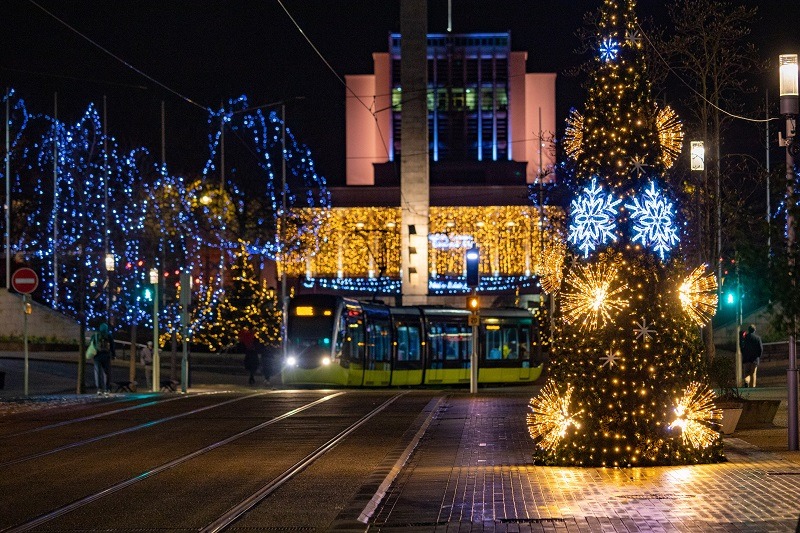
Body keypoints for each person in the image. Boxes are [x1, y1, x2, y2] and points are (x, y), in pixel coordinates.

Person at [91, 322, 115, 394]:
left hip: (97, 356)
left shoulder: (95, 335)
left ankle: (99, 389)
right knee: (107, 373)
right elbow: (112, 346)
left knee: (98, 373)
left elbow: (91, 345)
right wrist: (113, 355)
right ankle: (107, 389)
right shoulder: (109, 335)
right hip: (106, 356)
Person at [740, 324, 763, 388]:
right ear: (754, 330)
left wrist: (744, 353)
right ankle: (752, 387)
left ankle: (746, 381)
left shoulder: (745, 338)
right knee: (753, 373)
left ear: (749, 330)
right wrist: (758, 356)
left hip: (746, 358)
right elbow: (760, 349)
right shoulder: (757, 338)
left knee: (746, 373)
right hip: (754, 359)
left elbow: (742, 347)